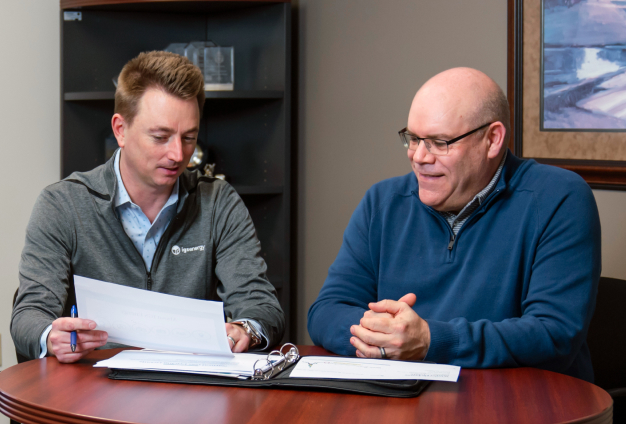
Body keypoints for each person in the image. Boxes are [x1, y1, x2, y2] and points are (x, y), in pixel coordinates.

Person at [307, 67, 601, 382]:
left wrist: (431, 341)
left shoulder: (559, 198)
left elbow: (553, 334)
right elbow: (327, 310)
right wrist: (385, 338)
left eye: (438, 142)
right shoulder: (382, 202)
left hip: (521, 404)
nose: (419, 156)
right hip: (403, 402)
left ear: (492, 140)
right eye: (413, 138)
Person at [12, 51, 284, 363]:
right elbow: (28, 315)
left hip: (189, 392)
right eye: (160, 137)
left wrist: (244, 328)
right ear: (120, 130)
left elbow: (261, 305)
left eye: (189, 137)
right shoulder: (62, 205)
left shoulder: (218, 202)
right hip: (92, 393)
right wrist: (52, 335)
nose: (178, 154)